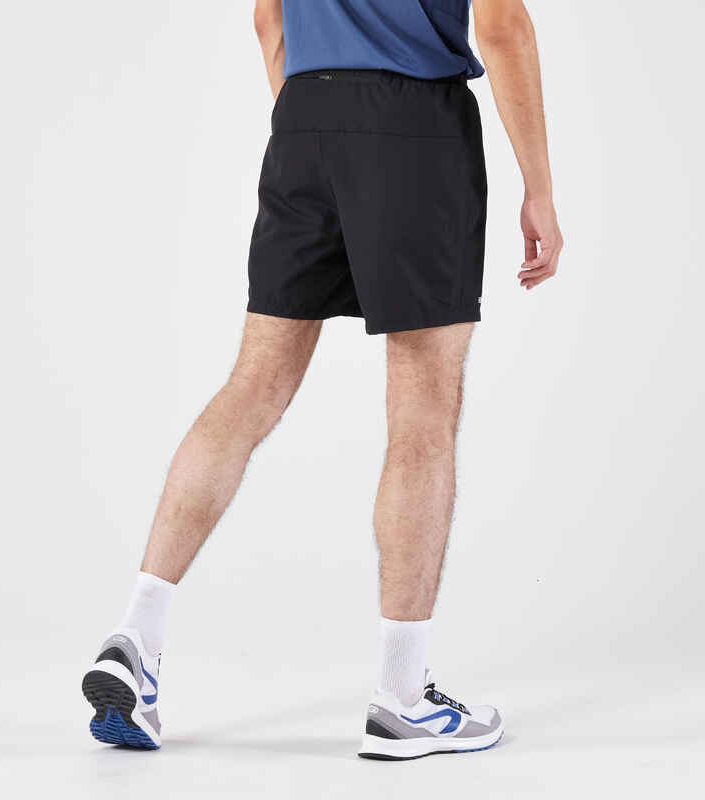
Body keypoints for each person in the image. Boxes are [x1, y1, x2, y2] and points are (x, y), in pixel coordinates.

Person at [81, 0, 563, 760]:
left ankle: (137, 635)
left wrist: (318, 129)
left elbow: (267, 20)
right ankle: (402, 698)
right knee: (424, 406)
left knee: (251, 385)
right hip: (413, 126)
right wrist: (539, 186)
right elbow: (502, 25)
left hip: (304, 120)